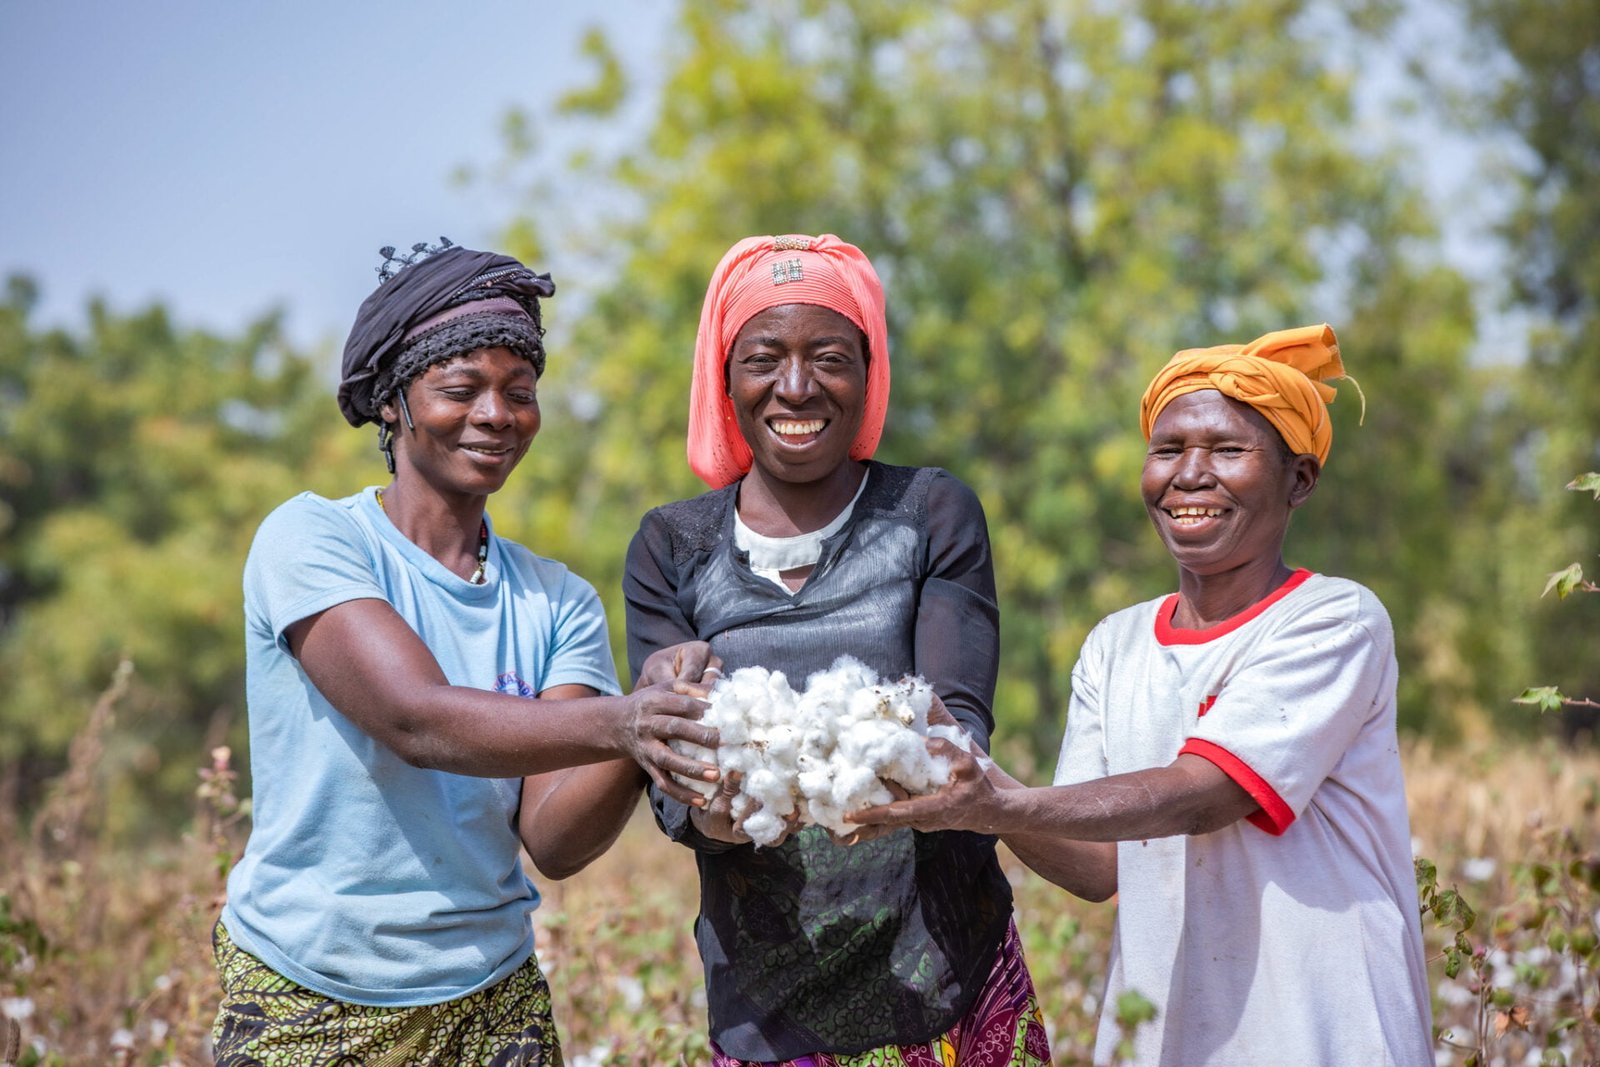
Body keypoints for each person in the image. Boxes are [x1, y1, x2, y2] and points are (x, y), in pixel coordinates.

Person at [851, 324, 1434, 1066]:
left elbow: (1205, 792)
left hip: (1326, 1031)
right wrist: (948, 762)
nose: (1190, 474)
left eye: (1228, 450)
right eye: (1169, 450)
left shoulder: (1334, 619)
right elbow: (1095, 866)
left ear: (1300, 479)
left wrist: (993, 802)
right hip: (1170, 1036)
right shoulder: (1116, 644)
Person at [212, 238, 720, 1066]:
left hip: (493, 997)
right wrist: (625, 719)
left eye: (520, 394)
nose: (496, 414)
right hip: (307, 986)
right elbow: (416, 718)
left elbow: (554, 841)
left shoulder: (557, 600)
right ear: (393, 403)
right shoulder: (311, 539)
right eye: (462, 389)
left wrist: (652, 724)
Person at [623, 234, 1053, 1067]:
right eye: (763, 358)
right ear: (724, 378)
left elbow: (958, 733)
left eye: (828, 356)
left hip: (950, 989)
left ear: (868, 370)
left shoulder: (930, 512)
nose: (796, 386)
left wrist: (903, 752)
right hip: (770, 1011)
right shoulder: (673, 545)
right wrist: (713, 791)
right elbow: (678, 794)